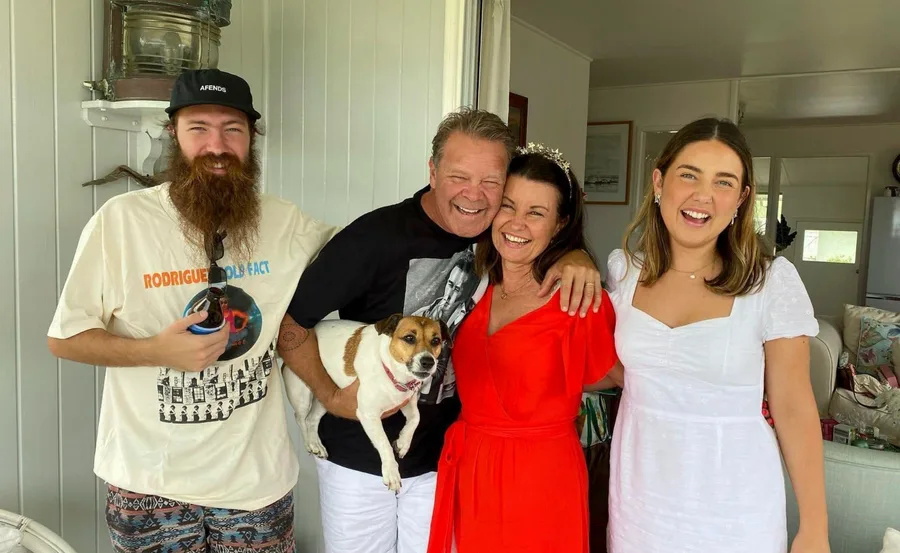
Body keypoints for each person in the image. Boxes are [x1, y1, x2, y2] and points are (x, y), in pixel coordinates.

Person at [277, 109, 604, 553]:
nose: (475, 195)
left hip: (443, 462)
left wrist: (577, 257)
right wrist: (333, 398)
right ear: (432, 172)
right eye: (459, 176)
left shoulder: (496, 239)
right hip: (361, 457)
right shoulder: (374, 237)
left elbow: (541, 232)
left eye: (491, 182)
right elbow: (291, 324)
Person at [46, 69, 339, 553]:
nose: (216, 145)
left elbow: (362, 259)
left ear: (252, 138)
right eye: (198, 128)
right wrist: (154, 350)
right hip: (148, 482)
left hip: (255, 484)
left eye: (233, 129)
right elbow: (64, 338)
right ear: (172, 134)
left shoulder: (287, 223)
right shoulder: (121, 223)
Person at [605, 118, 829, 553]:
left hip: (736, 512)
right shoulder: (623, 272)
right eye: (688, 174)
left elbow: (794, 407)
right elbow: (612, 369)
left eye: (723, 182)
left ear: (741, 200)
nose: (702, 196)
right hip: (639, 505)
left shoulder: (770, 283)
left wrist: (814, 528)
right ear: (659, 181)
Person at [425, 143, 621, 553]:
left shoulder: (578, 298)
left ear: (560, 223)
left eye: (536, 213)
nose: (516, 223)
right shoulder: (471, 282)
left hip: (542, 477)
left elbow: (616, 375)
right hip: (472, 466)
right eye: (508, 206)